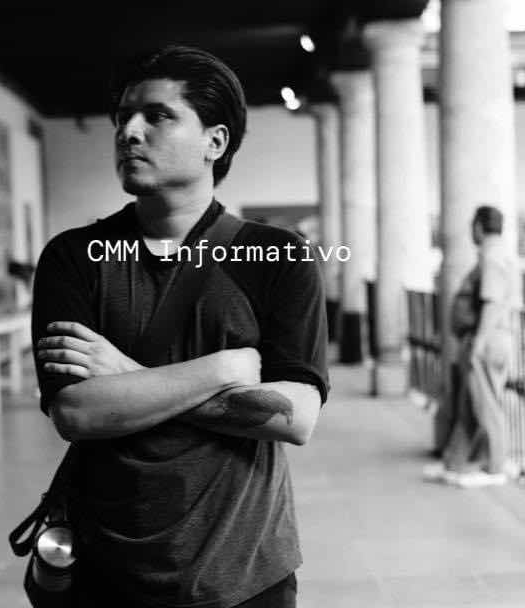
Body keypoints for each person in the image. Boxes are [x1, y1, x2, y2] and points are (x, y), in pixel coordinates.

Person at [31, 46, 329, 608]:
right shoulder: (74, 257)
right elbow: (76, 413)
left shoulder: (278, 256)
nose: (128, 132)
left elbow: (294, 416)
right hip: (107, 566)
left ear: (215, 142)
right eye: (123, 117)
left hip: (244, 569)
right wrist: (222, 369)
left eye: (158, 116)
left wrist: (125, 373)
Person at [425, 205, 517, 488]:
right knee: (470, 405)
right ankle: (457, 464)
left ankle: (494, 467)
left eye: (471, 226)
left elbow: (492, 302)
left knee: (485, 406)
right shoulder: (497, 254)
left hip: (486, 340)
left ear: (478, 226)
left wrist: (479, 341)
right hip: (486, 338)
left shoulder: (492, 257)